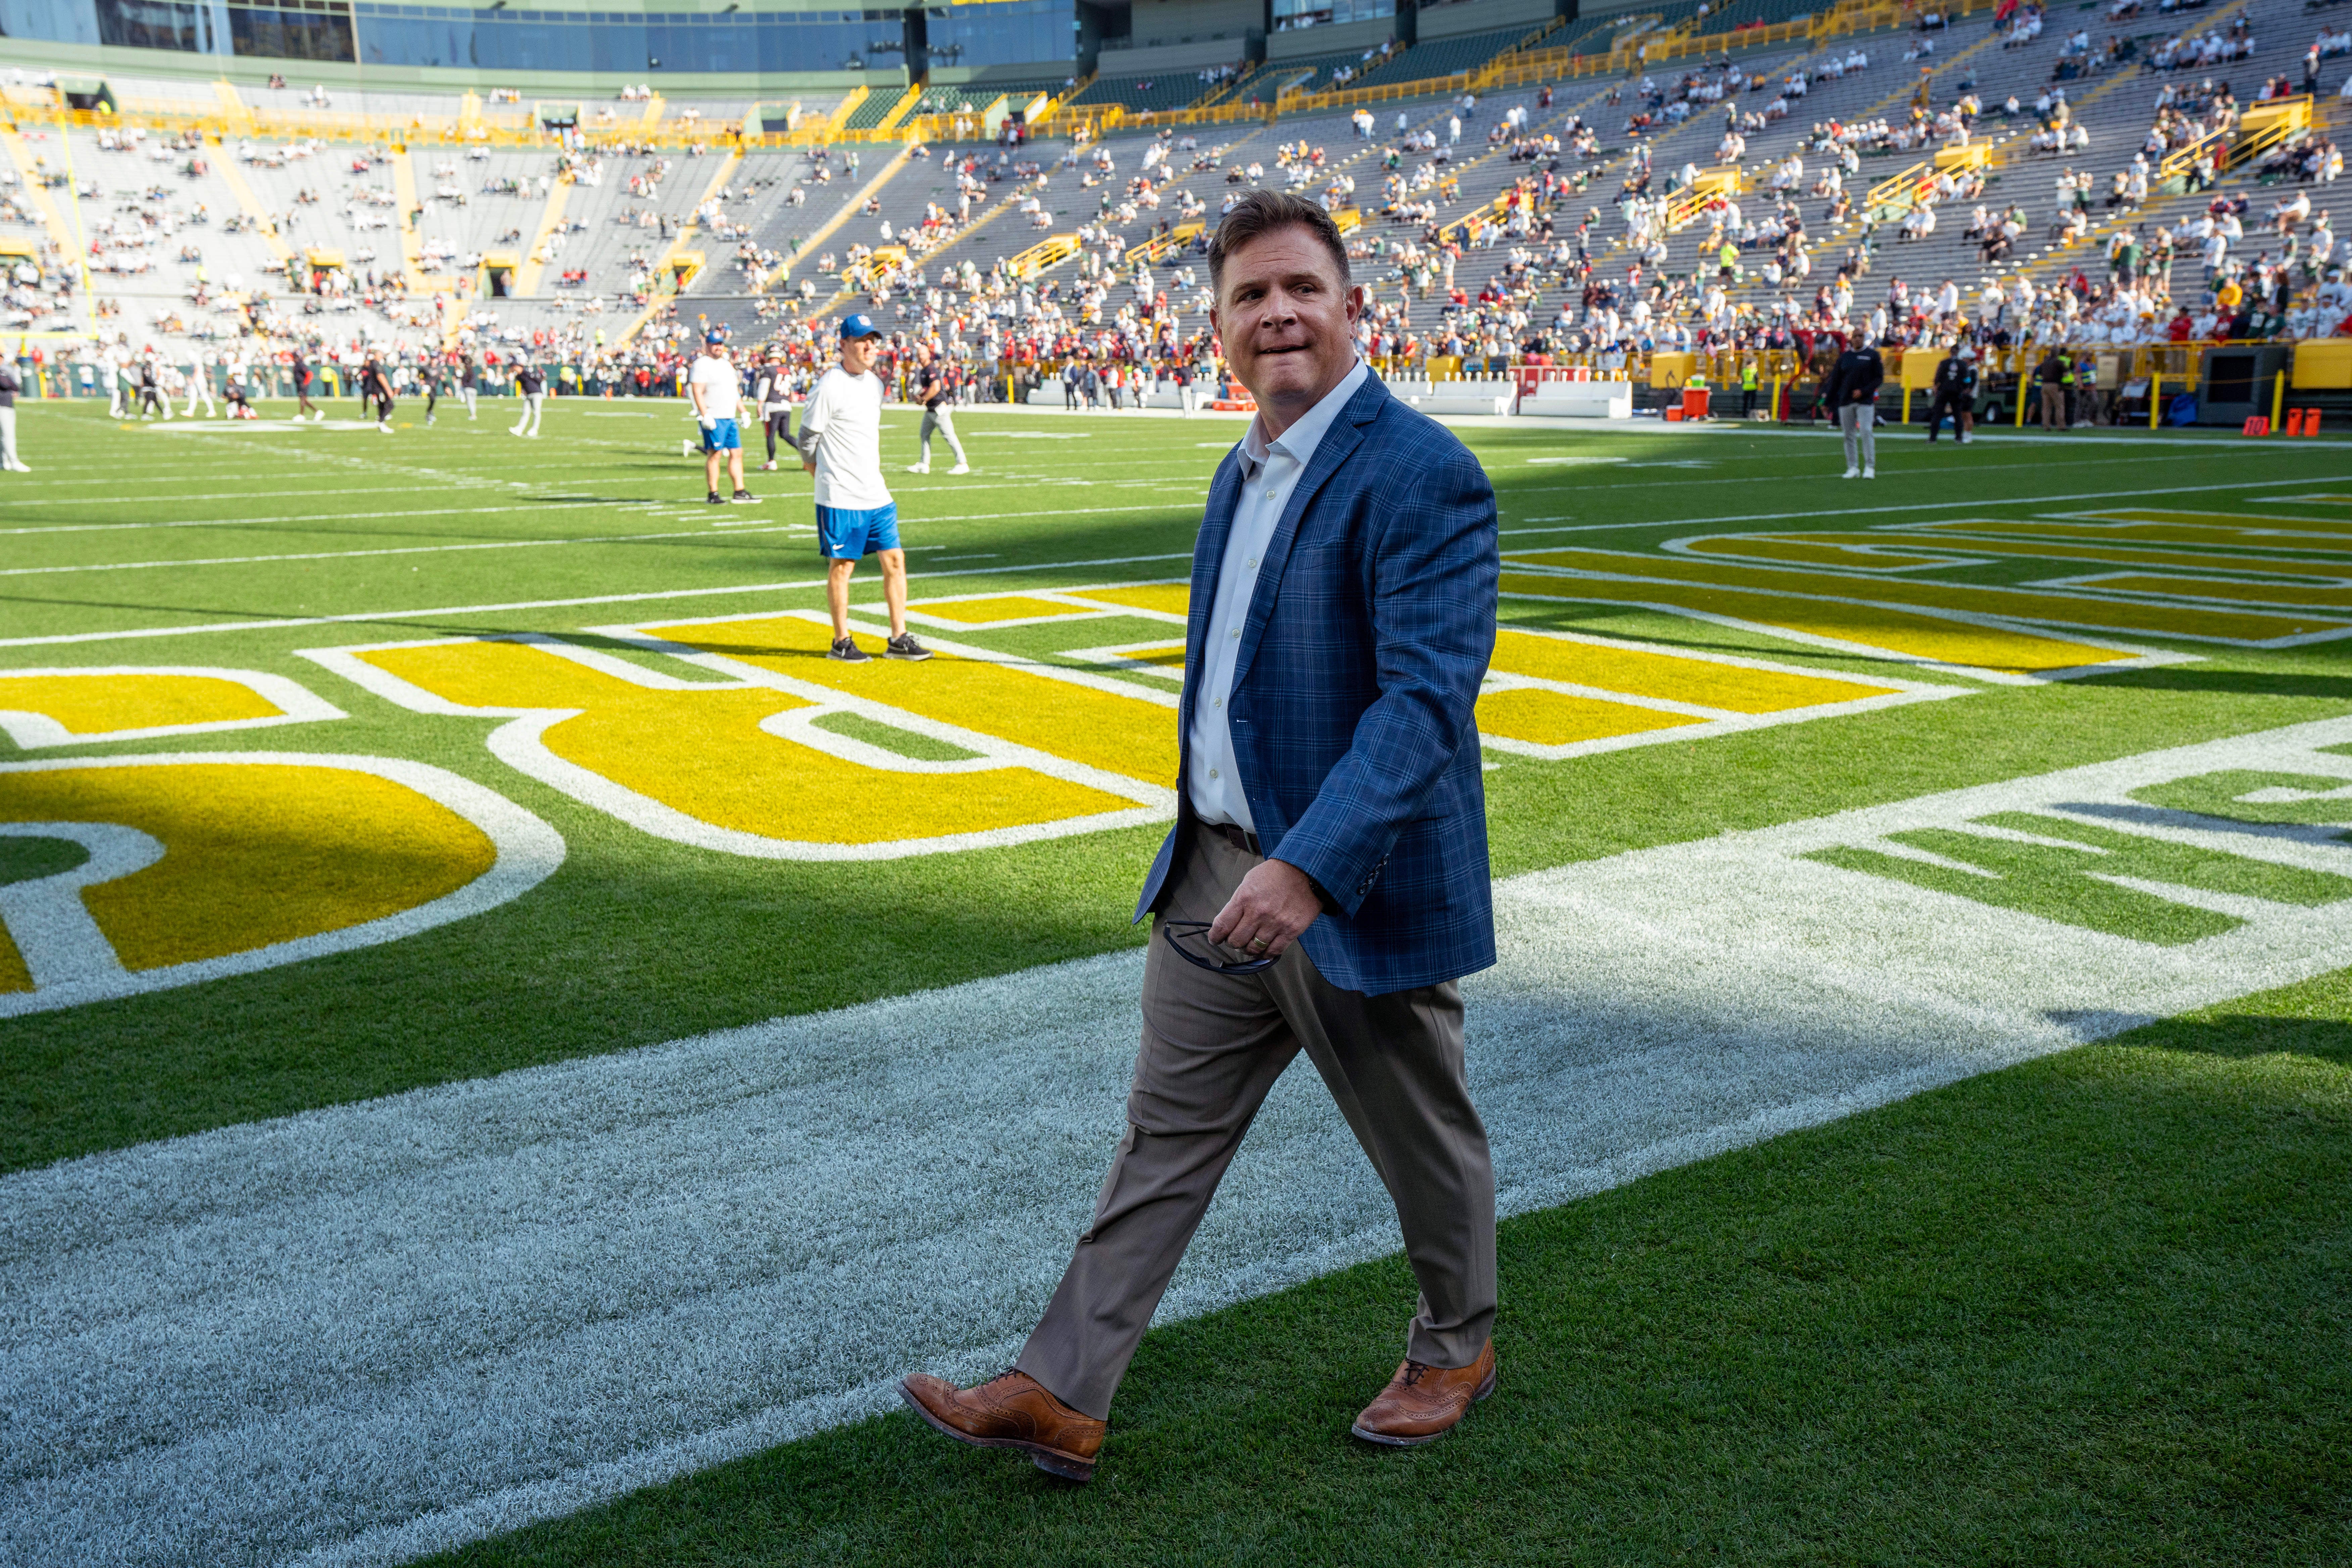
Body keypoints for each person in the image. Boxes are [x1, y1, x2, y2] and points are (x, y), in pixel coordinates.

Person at [898, 190, 1502, 1481]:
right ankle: (1062, 1388)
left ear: (1354, 308)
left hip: (1344, 878)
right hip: (1214, 865)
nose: (1275, 312)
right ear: (1218, 330)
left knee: (1420, 1132)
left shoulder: (1424, 471)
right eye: (1247, 297)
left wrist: (1310, 862)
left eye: (1299, 289)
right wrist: (1230, 840)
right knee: (1163, 1138)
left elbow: (1423, 704)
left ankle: (1456, 1343)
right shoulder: (1245, 464)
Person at [799, 314, 931, 663]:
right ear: (843, 345)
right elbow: (808, 437)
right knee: (842, 565)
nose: (870, 345)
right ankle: (841, 641)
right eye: (861, 340)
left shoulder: (875, 383)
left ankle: (898, 637)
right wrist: (817, 471)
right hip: (841, 493)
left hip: (875, 491)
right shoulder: (829, 384)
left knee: (895, 560)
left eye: (873, 339)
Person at [688, 332, 752, 503]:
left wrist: (744, 412)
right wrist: (705, 414)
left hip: (729, 416)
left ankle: (739, 491)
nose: (718, 347)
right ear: (707, 345)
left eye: (721, 343)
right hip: (714, 415)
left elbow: (733, 392)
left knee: (737, 453)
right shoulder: (701, 364)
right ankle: (713, 494)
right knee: (715, 454)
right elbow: (697, 391)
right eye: (715, 343)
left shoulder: (726, 365)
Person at [1823, 336, 1884, 478]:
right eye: (1855, 336)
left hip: (1865, 401)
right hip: (1845, 401)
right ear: (1852, 340)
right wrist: (1827, 403)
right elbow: (1835, 381)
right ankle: (1853, 468)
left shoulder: (1872, 355)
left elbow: (1879, 378)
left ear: (1864, 338)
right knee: (1848, 435)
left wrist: (1864, 391)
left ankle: (1870, 467)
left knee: (1866, 431)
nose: (1858, 339)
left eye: (1860, 336)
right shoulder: (1845, 358)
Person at [907, 349, 970, 475]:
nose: (921, 356)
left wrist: (924, 400)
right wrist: (919, 396)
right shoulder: (924, 370)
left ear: (929, 355)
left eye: (923, 354)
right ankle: (924, 464)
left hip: (938, 409)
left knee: (950, 437)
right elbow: (928, 388)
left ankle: (962, 463)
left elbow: (936, 387)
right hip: (931, 410)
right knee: (924, 435)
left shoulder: (931, 369)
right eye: (919, 354)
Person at [752, 349, 797, 472]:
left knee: (770, 435)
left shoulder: (768, 369)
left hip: (772, 406)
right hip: (786, 406)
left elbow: (764, 387)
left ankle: (771, 462)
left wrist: (759, 404)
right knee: (785, 435)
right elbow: (791, 385)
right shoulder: (787, 370)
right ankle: (807, 456)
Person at [1926, 345, 1977, 442]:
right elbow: (1967, 379)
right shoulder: (1962, 364)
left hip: (1944, 391)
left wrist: (1936, 387)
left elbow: (1938, 377)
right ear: (1958, 353)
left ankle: (1933, 439)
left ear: (1950, 352)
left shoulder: (1944, 363)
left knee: (1937, 415)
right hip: (1956, 392)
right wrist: (1965, 388)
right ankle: (1959, 438)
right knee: (1958, 415)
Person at [0, 357, 27, 471]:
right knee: (8, 435)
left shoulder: (5, 371)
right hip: (3, 406)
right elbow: (6, 384)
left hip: (7, 404)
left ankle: (4, 462)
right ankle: (14, 462)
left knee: (4, 436)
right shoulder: (3, 372)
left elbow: (15, 386)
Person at [510, 358, 547, 438]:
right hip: (528, 395)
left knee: (536, 412)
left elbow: (539, 380)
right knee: (525, 412)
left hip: (537, 394)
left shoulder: (527, 373)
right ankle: (519, 429)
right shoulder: (519, 377)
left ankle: (535, 429)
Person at [292, 348, 322, 422]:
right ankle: (318, 412)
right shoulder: (297, 365)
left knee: (303, 399)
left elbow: (310, 374)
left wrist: (305, 383)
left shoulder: (300, 365)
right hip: (300, 384)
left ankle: (302, 415)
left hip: (303, 384)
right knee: (304, 401)